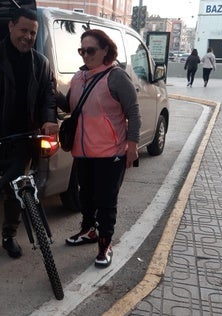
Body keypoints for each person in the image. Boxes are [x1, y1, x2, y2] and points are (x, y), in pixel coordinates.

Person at [0, 8, 59, 267]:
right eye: (23, 30)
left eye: (33, 33)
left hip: (22, 141)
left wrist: (49, 119)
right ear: (10, 27)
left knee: (16, 194)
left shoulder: (41, 63)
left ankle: (9, 236)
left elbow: (48, 96)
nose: (28, 37)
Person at [61, 29, 141, 268]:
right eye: (82, 50)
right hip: (83, 152)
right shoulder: (78, 77)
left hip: (110, 153)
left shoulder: (116, 77)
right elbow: (70, 106)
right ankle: (89, 231)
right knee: (85, 197)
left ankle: (105, 245)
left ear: (106, 49)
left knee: (106, 202)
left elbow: (134, 113)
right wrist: (51, 92)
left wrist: (132, 146)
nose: (85, 55)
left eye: (91, 50)